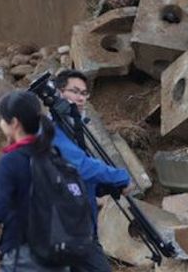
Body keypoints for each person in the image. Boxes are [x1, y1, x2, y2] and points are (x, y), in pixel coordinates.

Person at [0, 91, 66, 272]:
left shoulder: (10, 161)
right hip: (59, 250)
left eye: (3, 119)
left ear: (15, 123)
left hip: (24, 253)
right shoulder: (53, 154)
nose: (0, 124)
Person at [52, 70, 132, 233]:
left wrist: (100, 187)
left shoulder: (70, 129)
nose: (81, 98)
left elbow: (73, 177)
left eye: (84, 93)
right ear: (59, 93)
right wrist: (119, 177)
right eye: (74, 92)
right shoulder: (51, 131)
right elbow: (81, 166)